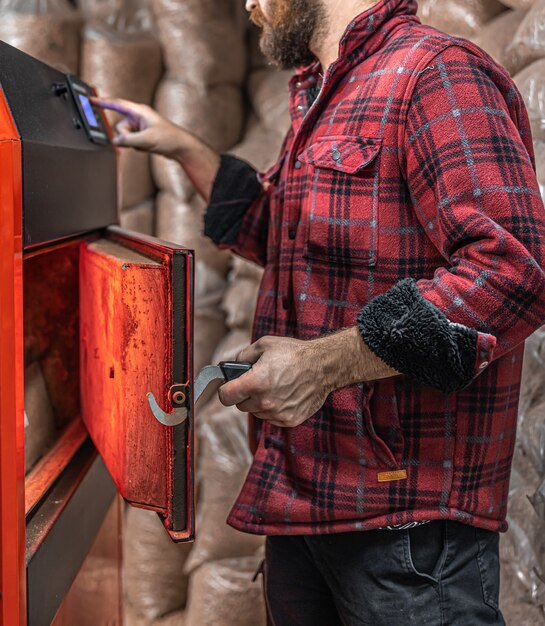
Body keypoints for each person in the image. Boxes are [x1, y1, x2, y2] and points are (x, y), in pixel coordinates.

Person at [95, 0, 545, 623]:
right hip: (306, 498)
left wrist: (322, 365)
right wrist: (180, 147)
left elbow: (513, 272)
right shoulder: (327, 95)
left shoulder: (436, 73)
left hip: (404, 529)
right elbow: (286, 237)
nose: (251, 5)